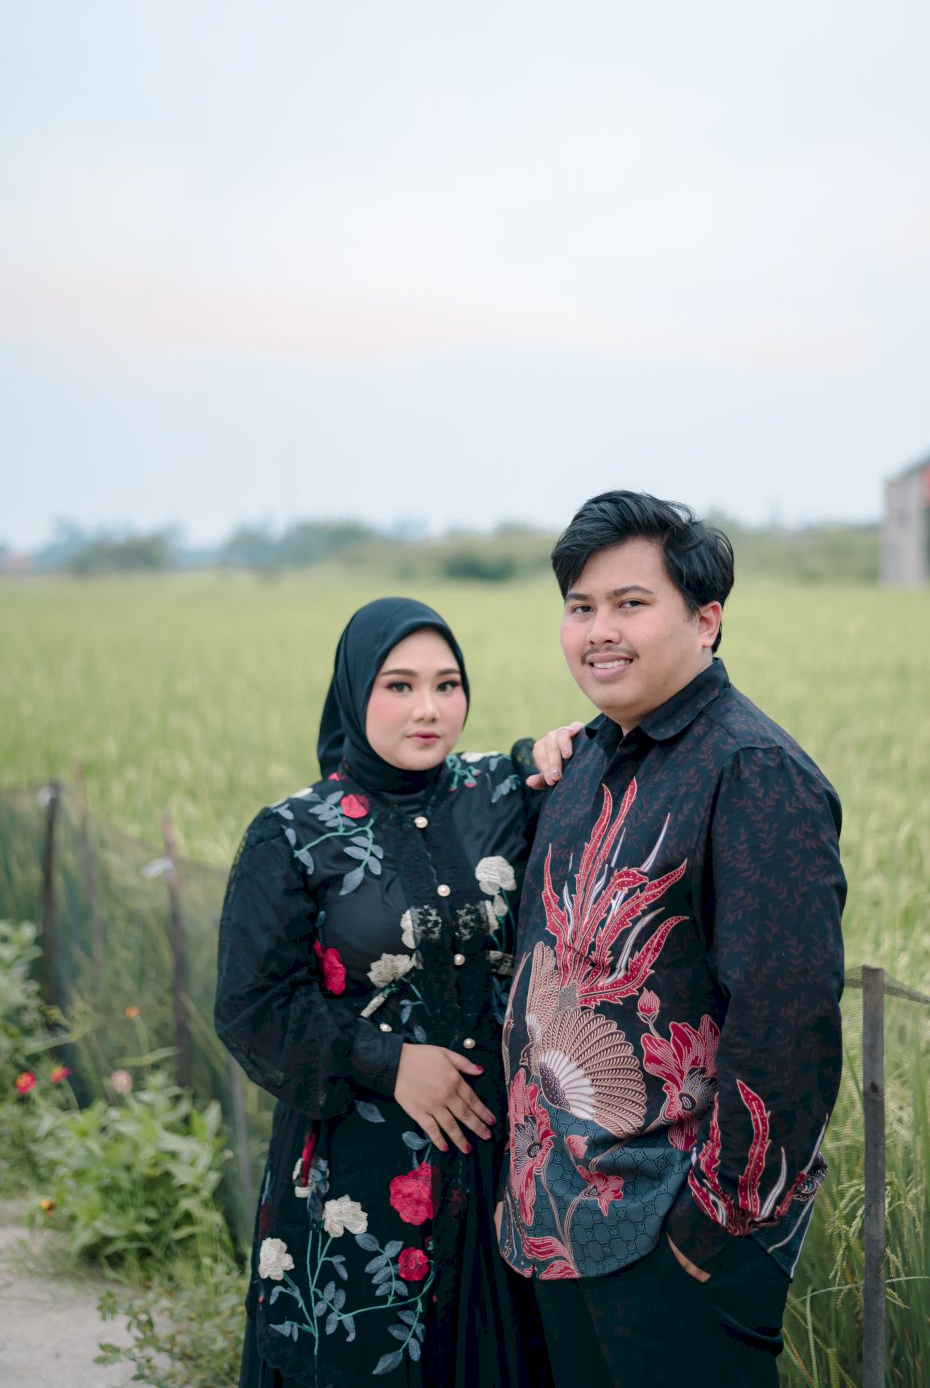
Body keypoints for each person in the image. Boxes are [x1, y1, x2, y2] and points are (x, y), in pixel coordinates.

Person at [498, 493, 847, 1388]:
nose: (599, 631)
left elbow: (786, 1022)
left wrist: (709, 1230)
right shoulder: (585, 759)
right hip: (556, 1221)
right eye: (580, 607)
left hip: (673, 1240)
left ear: (706, 619)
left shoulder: (751, 772)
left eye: (630, 603)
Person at [216, 597, 568, 1388]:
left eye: (447, 684)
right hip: (358, 1166)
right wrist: (389, 1061)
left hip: (499, 1158)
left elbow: (591, 767)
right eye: (399, 686)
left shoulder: (501, 792)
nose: (428, 708)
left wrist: (554, 747)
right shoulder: (294, 834)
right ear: (354, 693)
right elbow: (252, 1005)